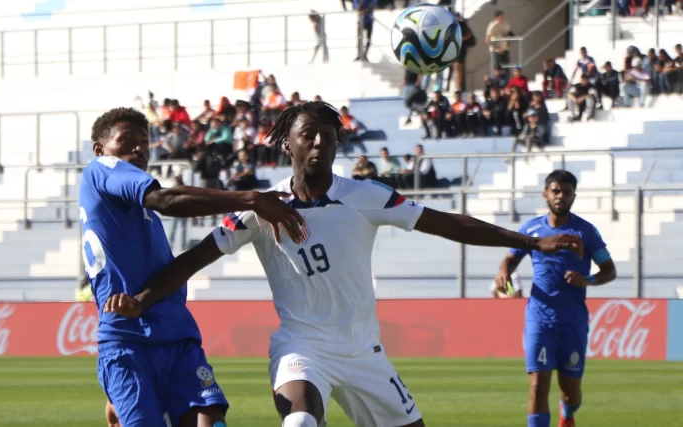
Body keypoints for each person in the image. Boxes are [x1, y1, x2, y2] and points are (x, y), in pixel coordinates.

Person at [103, 102, 583, 427]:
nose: (318, 144)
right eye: (307, 135)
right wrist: (141, 300)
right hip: (301, 348)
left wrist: (529, 242)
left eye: (327, 136)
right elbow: (192, 259)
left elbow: (448, 223)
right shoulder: (260, 208)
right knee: (301, 420)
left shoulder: (365, 196)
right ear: (286, 144)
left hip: (364, 353)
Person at [80, 107, 305, 427]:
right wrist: (250, 198)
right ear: (100, 150)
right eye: (126, 140)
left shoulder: (140, 215)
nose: (139, 148)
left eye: (144, 142)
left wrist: (141, 300)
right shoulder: (100, 170)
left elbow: (173, 268)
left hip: (176, 336)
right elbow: (167, 200)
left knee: (210, 422)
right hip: (127, 339)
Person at [493, 170, 617, 427]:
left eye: (566, 192)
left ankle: (568, 413)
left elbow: (610, 270)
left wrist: (588, 280)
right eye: (556, 191)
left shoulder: (586, 232)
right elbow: (511, 258)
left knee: (570, 393)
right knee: (538, 385)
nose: (560, 196)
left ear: (574, 195)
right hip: (539, 318)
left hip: (572, 321)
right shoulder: (532, 229)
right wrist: (504, 270)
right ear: (546, 194)